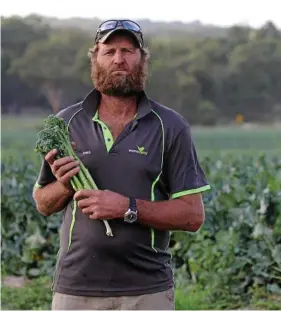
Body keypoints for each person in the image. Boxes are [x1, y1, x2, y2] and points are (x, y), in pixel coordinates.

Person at [32, 19, 211, 310]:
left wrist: (127, 208)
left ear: (142, 59)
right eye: (110, 50)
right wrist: (65, 184)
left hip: (147, 291)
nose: (119, 59)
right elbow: (42, 203)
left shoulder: (170, 126)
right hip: (76, 289)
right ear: (95, 58)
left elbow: (192, 216)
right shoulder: (65, 123)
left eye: (128, 50)